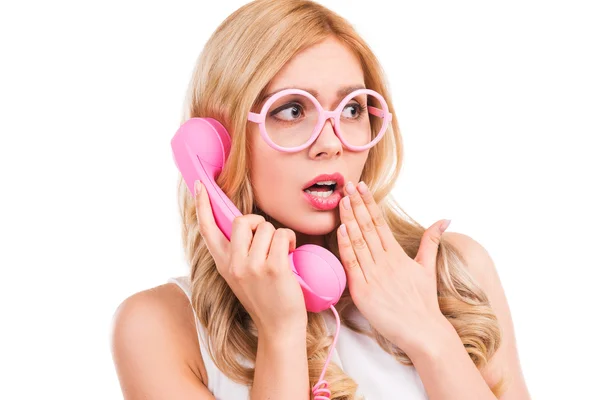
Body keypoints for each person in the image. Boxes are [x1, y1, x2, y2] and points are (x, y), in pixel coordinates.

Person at [110, 0, 531, 399]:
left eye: (351, 109)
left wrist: (429, 335)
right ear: (219, 141)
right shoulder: (157, 328)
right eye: (292, 110)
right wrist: (280, 331)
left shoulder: (455, 273)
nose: (330, 144)